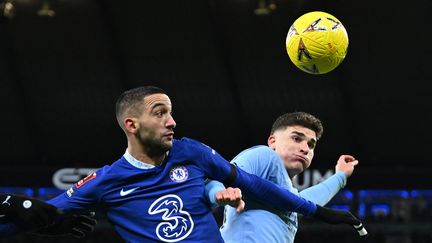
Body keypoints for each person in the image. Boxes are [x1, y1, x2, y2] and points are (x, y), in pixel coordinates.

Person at [1, 86, 363, 242]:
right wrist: (17, 208)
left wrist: (318, 210)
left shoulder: (191, 152)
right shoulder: (105, 182)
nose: (172, 122)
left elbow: (252, 184)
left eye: (172, 113)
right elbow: (41, 214)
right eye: (160, 114)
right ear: (132, 125)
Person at [206, 112, 362, 243]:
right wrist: (219, 193)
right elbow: (221, 174)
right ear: (272, 142)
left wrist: (340, 176)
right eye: (296, 138)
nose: (305, 149)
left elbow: (305, 202)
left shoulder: (288, 199)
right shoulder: (264, 156)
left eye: (311, 145)